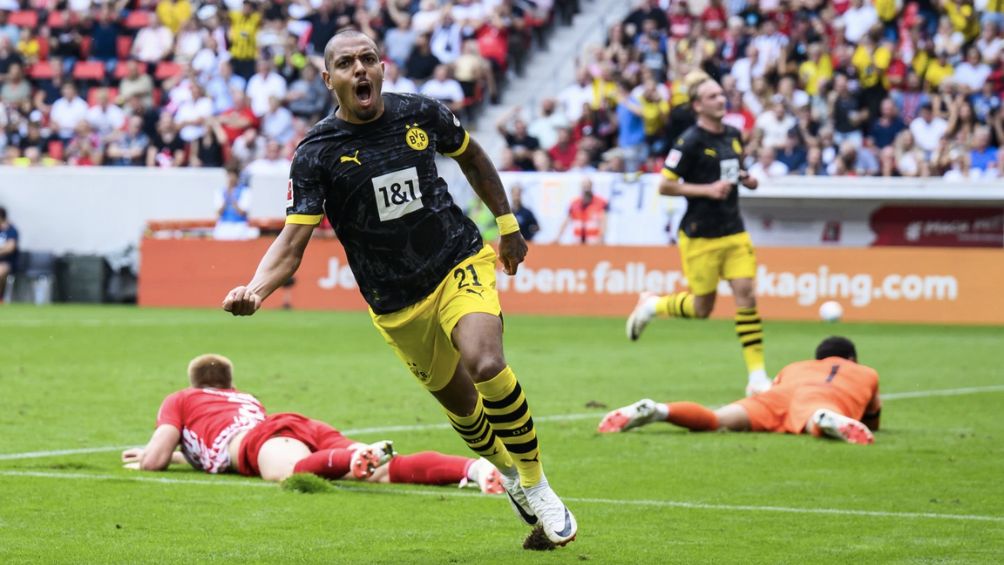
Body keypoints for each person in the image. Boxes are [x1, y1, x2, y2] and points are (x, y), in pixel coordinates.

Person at [221, 30, 576, 546]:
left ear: (383, 68)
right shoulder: (317, 154)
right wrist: (255, 289)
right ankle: (507, 473)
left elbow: (473, 157)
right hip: (395, 305)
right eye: (346, 63)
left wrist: (508, 224)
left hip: (457, 260)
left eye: (369, 59)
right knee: (462, 410)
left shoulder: (420, 113)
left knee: (485, 363)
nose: (360, 69)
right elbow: (292, 241)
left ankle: (536, 481)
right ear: (328, 79)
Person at [122, 354, 504, 494]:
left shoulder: (182, 398)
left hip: (263, 440)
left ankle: (349, 460)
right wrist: (175, 458)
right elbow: (204, 452)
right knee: (381, 472)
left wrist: (150, 457)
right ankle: (474, 467)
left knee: (290, 474)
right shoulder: (246, 398)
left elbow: (157, 456)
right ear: (229, 384)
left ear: (195, 384)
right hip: (297, 426)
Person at [626, 76, 770, 397]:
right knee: (702, 308)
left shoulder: (733, 135)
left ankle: (757, 376)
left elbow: (732, 171)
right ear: (698, 105)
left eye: (721, 94)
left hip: (734, 229)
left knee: (746, 294)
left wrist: (746, 179)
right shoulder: (688, 141)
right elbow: (665, 184)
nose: (721, 99)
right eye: (712, 95)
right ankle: (653, 305)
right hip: (700, 234)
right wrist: (706, 189)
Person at [598, 336, 881, 445]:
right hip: (820, 401)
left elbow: (778, 390)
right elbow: (873, 419)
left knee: (717, 419)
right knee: (813, 418)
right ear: (853, 358)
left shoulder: (797, 366)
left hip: (777, 396)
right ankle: (823, 421)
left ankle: (660, 410)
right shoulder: (866, 373)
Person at [553, 177, 607, 245]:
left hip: (593, 241)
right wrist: (558, 238)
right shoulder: (574, 203)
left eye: (588, 186)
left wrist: (601, 238)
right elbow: (566, 222)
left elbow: (603, 222)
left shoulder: (600, 203)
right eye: (584, 186)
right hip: (577, 241)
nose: (586, 188)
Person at [214, 164, 258, 241]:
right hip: (224, 225)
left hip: (239, 225)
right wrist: (227, 197)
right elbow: (218, 212)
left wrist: (233, 198)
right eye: (229, 176)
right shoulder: (220, 191)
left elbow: (243, 212)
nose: (230, 179)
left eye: (232, 176)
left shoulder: (245, 191)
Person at [0, 206, 17, 299]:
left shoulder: (11, 230)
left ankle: (0, 297)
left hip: (7, 262)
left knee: (0, 271)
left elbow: (10, 248)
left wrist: (4, 248)